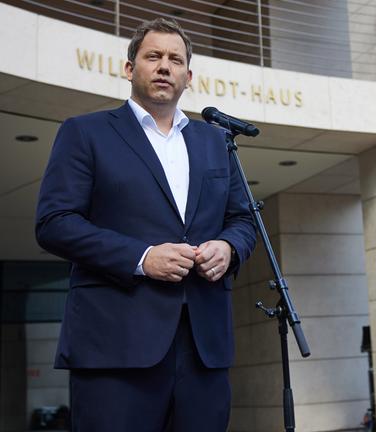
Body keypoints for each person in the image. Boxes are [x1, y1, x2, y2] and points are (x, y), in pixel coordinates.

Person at [35, 18, 257, 431]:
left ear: (188, 77)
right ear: (128, 68)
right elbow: (54, 222)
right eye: (152, 56)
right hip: (115, 346)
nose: (163, 66)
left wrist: (228, 248)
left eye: (175, 59)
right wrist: (142, 257)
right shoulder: (85, 132)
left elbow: (242, 219)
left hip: (204, 348)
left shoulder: (215, 141)